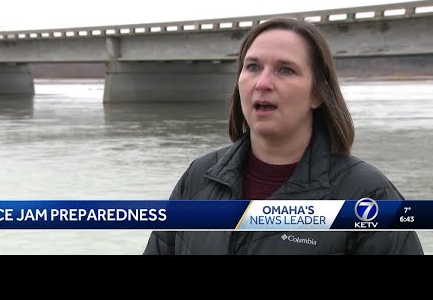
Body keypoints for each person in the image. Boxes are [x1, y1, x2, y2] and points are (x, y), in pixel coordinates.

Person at [143, 17, 424, 255]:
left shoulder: (368, 195)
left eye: (285, 70)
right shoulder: (199, 177)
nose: (262, 83)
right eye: (252, 67)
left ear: (317, 93)